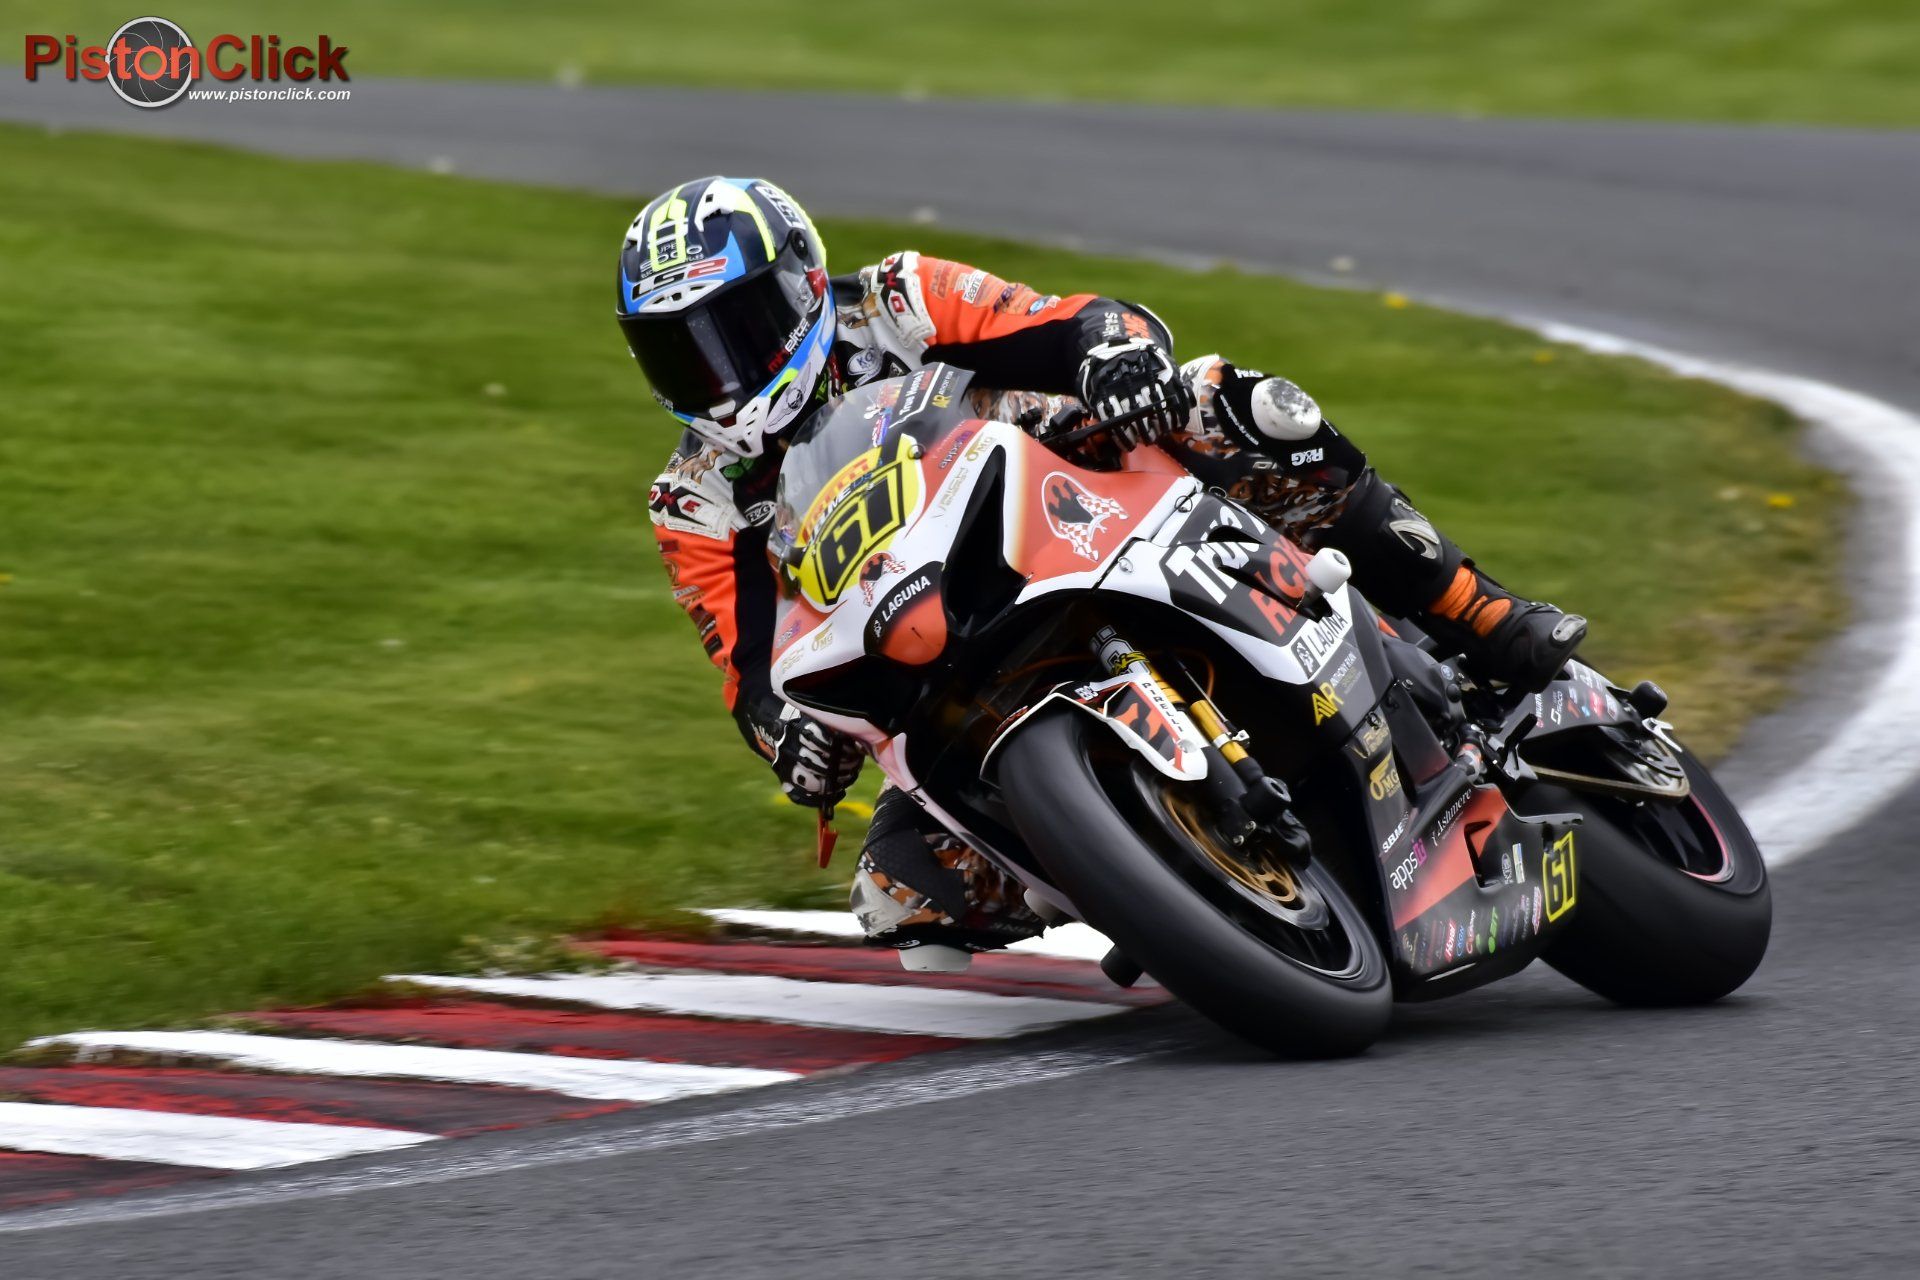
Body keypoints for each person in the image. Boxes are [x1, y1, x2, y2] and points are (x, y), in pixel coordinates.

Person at [620, 176, 1585, 956]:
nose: (719, 375)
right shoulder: (694, 498)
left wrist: (1114, 357)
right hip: (935, 644)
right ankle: (1171, 888)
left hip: (1071, 496)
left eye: (735, 328)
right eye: (679, 353)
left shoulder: (897, 300)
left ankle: (1478, 610)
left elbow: (1069, 320)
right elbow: (753, 673)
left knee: (1237, 407)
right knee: (900, 893)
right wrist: (790, 739)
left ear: (802, 284)